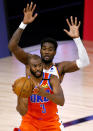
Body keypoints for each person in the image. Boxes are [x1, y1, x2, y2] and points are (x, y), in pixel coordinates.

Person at [8, 1, 90, 130]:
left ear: (55, 52)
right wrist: (23, 24)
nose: (46, 51)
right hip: (30, 119)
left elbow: (85, 62)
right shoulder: (30, 61)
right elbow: (12, 46)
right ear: (40, 50)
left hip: (50, 118)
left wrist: (77, 38)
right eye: (44, 48)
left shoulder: (60, 68)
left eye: (50, 49)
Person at [14, 54, 65, 131]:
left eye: (40, 65)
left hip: (50, 122)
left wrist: (45, 94)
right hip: (30, 122)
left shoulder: (52, 79)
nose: (38, 68)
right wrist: (22, 96)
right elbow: (22, 112)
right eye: (35, 66)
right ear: (29, 67)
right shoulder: (24, 84)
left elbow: (61, 101)